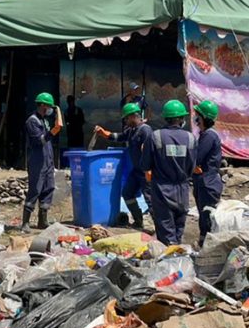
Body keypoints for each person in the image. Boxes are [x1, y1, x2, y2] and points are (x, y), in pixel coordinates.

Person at [141, 100, 197, 246]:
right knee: (178, 232)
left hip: (162, 191)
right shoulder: (191, 138)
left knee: (166, 236)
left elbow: (145, 165)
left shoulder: (155, 137)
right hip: (182, 191)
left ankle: (169, 263)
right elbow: (192, 166)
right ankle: (178, 262)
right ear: (181, 119)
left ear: (166, 117)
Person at [95, 103, 153, 229]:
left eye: (127, 118)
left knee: (151, 199)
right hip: (136, 171)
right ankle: (138, 221)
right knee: (127, 193)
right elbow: (119, 137)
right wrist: (103, 133)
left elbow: (150, 152)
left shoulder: (145, 130)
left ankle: (161, 227)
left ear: (133, 116)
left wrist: (148, 170)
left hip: (145, 172)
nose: (125, 121)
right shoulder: (132, 131)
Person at [20, 92, 62, 233]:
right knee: (35, 190)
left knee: (48, 188)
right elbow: (39, 141)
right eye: (49, 106)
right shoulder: (32, 121)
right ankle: (25, 222)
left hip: (47, 159)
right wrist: (53, 132)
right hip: (37, 161)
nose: (50, 109)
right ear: (42, 105)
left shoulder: (44, 120)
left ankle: (42, 221)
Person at [192, 100, 222, 246]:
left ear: (203, 118)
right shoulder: (206, 135)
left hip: (208, 183)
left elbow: (196, 158)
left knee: (207, 218)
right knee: (204, 217)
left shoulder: (209, 136)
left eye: (197, 116)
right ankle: (204, 246)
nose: (195, 118)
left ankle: (207, 247)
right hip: (204, 181)